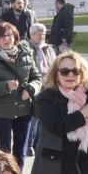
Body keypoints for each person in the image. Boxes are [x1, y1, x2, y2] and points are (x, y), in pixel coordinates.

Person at [0, 22, 42, 167]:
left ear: (15, 37)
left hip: (24, 110)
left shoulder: (26, 54)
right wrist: (6, 86)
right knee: (3, 152)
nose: (6, 39)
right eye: (2, 36)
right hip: (0, 111)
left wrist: (31, 89)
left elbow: (37, 78)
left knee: (20, 150)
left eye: (9, 35)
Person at [27, 23, 56, 155]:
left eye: (43, 34)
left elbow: (54, 65)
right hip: (35, 85)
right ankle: (28, 145)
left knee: (43, 116)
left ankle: (38, 143)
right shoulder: (27, 48)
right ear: (31, 35)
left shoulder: (49, 48)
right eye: (39, 34)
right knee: (33, 117)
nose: (42, 36)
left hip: (48, 85)